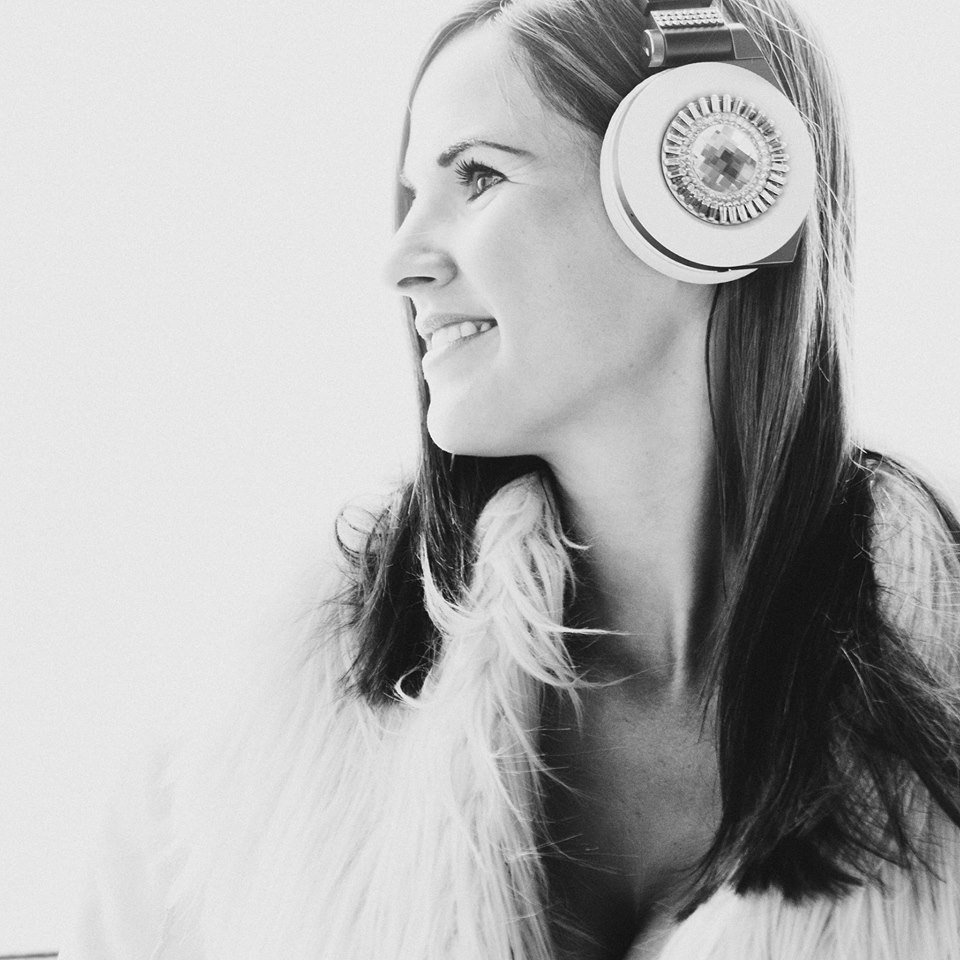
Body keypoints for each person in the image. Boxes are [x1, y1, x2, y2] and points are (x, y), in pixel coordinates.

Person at [62, 0, 960, 958]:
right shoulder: (235, 753)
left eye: (480, 176)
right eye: (413, 196)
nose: (400, 261)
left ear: (709, 190)